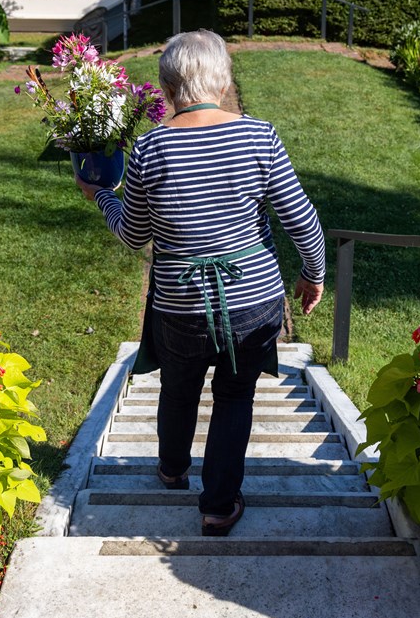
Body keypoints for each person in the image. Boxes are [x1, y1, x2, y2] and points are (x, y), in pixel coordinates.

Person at [76, 29, 325, 536]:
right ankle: (217, 504)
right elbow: (302, 220)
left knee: (179, 385)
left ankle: (171, 468)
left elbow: (134, 234)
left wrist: (102, 197)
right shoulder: (260, 137)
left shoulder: (149, 149)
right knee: (236, 396)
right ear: (223, 78)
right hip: (253, 300)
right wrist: (313, 273)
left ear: (168, 87)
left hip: (179, 303)